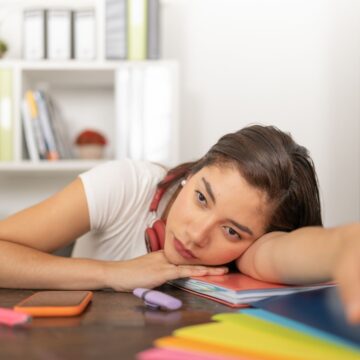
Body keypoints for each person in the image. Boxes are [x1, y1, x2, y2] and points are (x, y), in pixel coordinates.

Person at [0, 125, 359, 323]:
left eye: (231, 231)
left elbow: (287, 252)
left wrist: (342, 244)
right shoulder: (126, 184)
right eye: (202, 198)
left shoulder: (252, 251)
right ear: (193, 172)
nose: (196, 234)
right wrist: (112, 273)